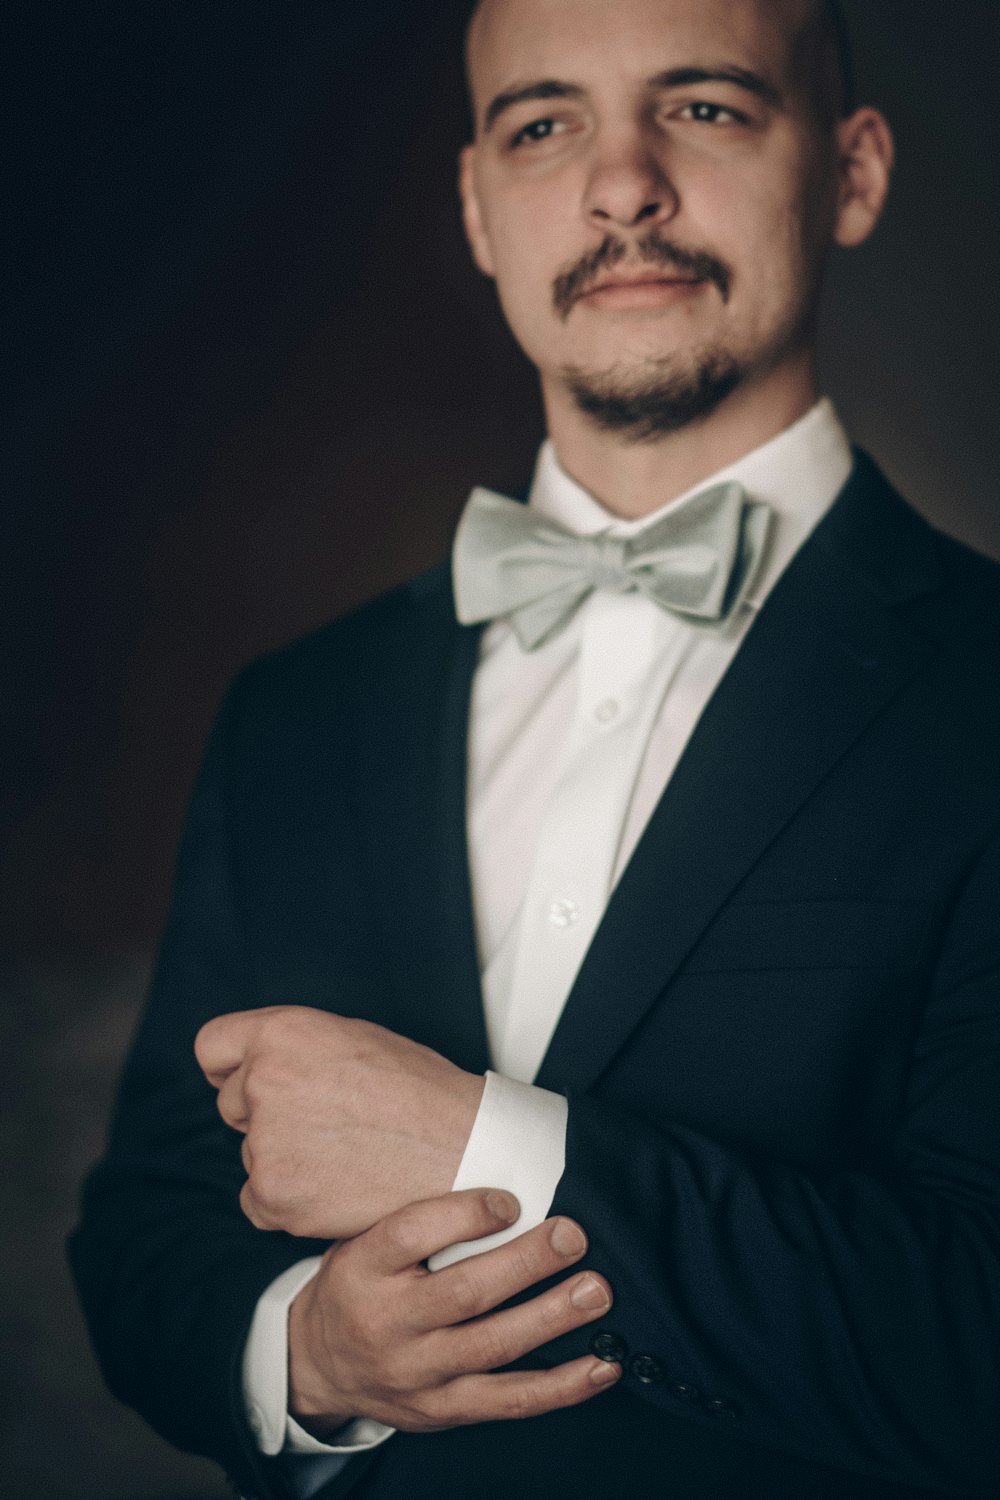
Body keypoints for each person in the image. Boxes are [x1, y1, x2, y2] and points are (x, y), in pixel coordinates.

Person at [70, 0, 1000, 1496]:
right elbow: (144, 1233)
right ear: (478, 207)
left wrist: (485, 1157)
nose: (620, 184)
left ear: (855, 172)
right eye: (544, 124)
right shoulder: (293, 715)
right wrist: (300, 1352)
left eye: (704, 108)